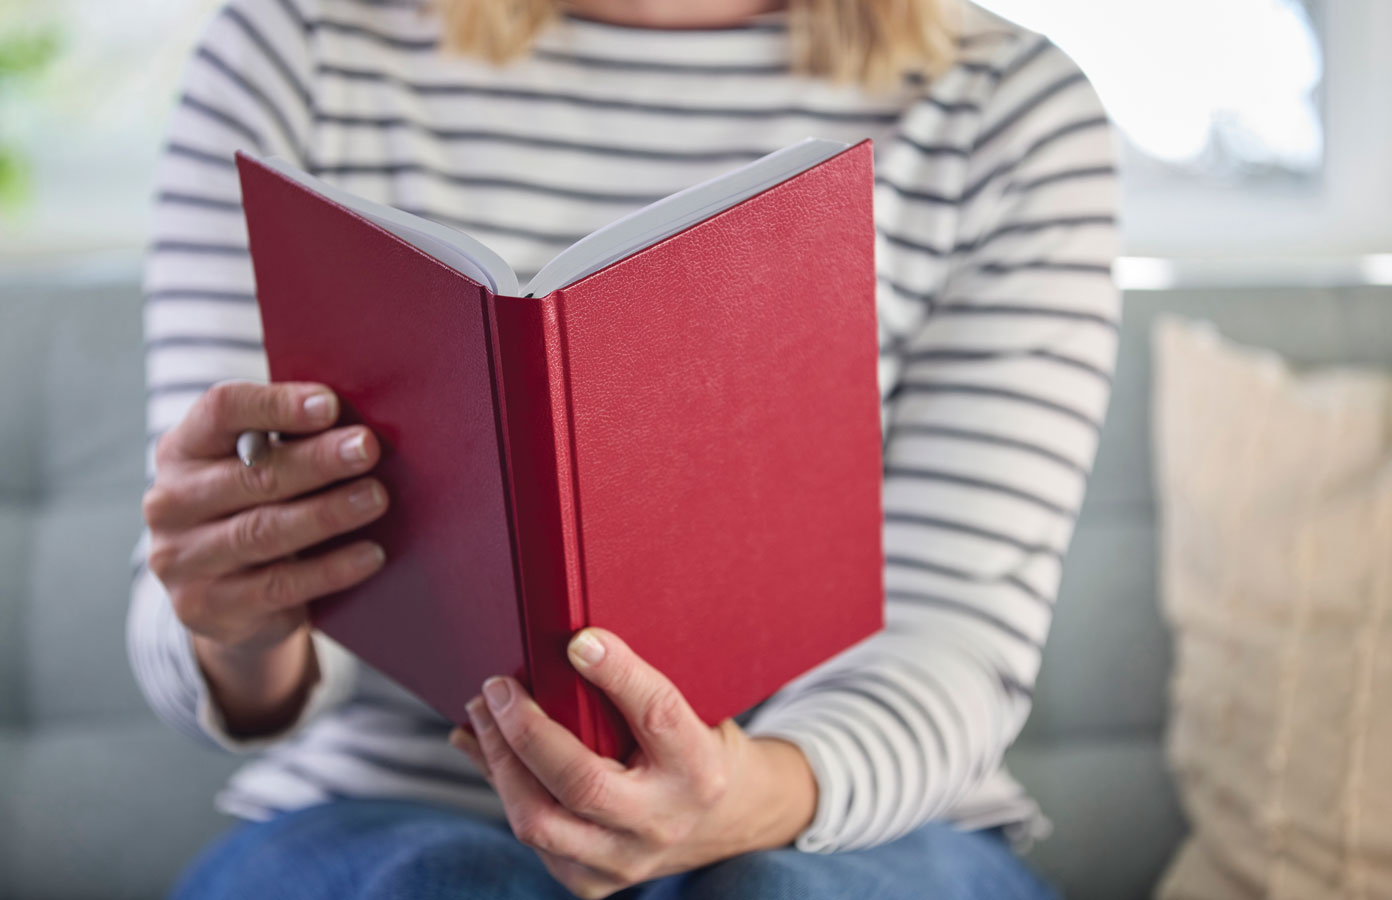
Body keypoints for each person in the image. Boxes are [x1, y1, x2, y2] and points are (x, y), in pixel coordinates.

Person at [129, 0, 1119, 895]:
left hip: (851, 818)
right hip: (389, 810)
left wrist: (750, 798)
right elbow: (197, 594)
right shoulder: (300, 46)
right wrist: (237, 620)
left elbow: (955, 637)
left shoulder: (1004, 105)